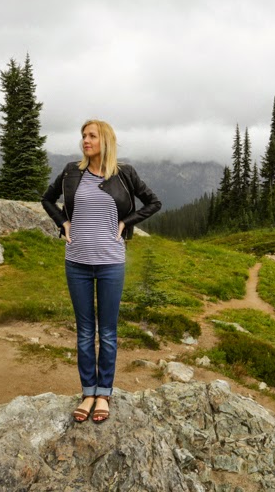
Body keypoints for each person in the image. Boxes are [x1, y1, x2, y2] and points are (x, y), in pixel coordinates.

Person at [41, 119, 161, 423]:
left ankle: (104, 393)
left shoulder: (124, 174)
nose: (85, 140)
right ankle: (88, 392)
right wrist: (63, 223)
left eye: (92, 136)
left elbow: (153, 202)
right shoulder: (72, 172)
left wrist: (125, 223)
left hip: (111, 263)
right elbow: (47, 199)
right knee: (84, 332)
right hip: (76, 262)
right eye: (83, 135)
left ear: (105, 140)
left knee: (107, 333)